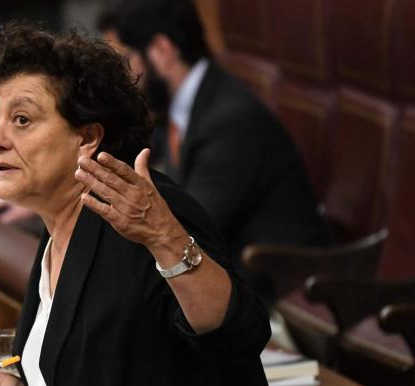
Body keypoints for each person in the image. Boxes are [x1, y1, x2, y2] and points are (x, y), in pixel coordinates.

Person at [0, 23, 303, 386]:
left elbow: (238, 335)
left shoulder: (150, 213)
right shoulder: (58, 234)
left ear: (87, 138)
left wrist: (164, 237)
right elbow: (102, 379)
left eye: (22, 120)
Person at [113, 0, 328, 302]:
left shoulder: (231, 121)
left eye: (129, 57)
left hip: (275, 293)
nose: (129, 74)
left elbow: (190, 226)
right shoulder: (177, 109)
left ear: (161, 51)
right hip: (222, 277)